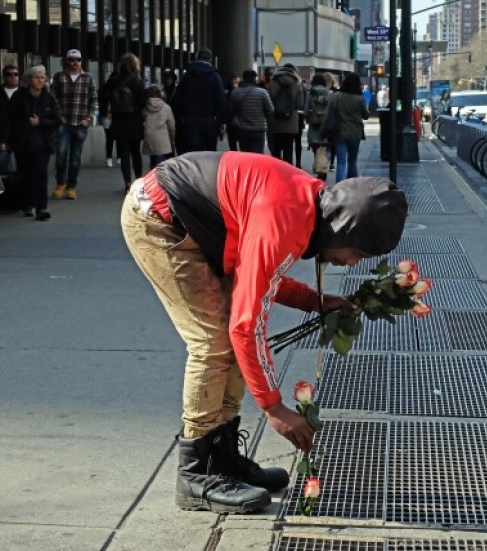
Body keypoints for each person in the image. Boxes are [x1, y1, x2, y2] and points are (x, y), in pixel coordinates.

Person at [120, 151, 408, 514]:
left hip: (200, 225)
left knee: (231, 341)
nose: (351, 264)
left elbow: (261, 276)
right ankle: (194, 473)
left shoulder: (308, 208)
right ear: (341, 227)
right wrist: (274, 409)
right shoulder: (286, 217)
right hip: (158, 218)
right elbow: (247, 323)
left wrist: (312, 301)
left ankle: (221, 458)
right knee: (213, 342)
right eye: (355, 253)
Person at [7, 65, 61, 221]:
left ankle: (41, 207)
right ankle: (27, 204)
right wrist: (6, 140)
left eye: (42, 78)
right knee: (25, 174)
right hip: (23, 142)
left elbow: (56, 121)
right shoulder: (19, 97)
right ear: (30, 79)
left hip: (43, 143)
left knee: (41, 174)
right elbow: (10, 119)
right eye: (36, 77)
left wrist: (40, 122)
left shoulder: (49, 98)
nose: (40, 80)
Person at [50, 49, 97, 200]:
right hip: (63, 123)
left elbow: (93, 99)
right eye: (71, 59)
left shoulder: (88, 78)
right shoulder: (59, 77)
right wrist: (58, 117)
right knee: (61, 155)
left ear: (81, 61)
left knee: (75, 157)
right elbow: (53, 99)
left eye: (78, 60)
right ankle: (60, 184)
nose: (75, 63)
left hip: (80, 122)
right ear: (66, 61)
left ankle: (71, 187)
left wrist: (88, 118)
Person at [99, 53, 146, 192]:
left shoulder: (114, 80)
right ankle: (138, 182)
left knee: (123, 153)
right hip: (135, 121)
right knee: (136, 152)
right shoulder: (138, 81)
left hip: (119, 121)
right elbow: (142, 102)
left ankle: (127, 183)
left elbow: (103, 95)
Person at [169, 48, 227, 153]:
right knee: (210, 152)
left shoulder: (187, 76)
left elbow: (177, 100)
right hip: (210, 120)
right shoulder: (215, 76)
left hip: (190, 121)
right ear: (210, 59)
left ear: (197, 58)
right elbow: (221, 100)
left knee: (193, 152)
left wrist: (181, 117)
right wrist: (223, 120)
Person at [326, 73, 369, 183]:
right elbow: (366, 115)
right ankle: (352, 186)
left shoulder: (337, 96)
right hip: (355, 133)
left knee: (341, 161)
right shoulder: (360, 99)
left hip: (339, 132)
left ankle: (339, 186)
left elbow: (329, 113)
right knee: (352, 161)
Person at [227, 69, 273, 154]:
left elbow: (230, 112)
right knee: (258, 156)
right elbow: (270, 111)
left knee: (246, 156)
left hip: (242, 130)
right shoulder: (263, 93)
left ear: (243, 78)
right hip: (259, 130)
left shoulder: (235, 93)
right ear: (255, 79)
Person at [267, 63, 304, 165]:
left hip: (275, 122)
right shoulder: (297, 84)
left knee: (276, 151)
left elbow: (267, 103)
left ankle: (276, 176)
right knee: (288, 152)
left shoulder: (272, 84)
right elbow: (300, 104)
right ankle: (287, 176)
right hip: (290, 123)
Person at [304, 73, 332, 180]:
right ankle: (323, 169)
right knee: (325, 148)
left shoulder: (310, 94)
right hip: (326, 126)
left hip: (314, 125)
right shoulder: (330, 93)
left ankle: (320, 169)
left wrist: (309, 120)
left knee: (316, 149)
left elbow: (306, 111)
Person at [142, 84, 176, 168]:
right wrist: (172, 138)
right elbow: (172, 126)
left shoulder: (145, 108)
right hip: (163, 140)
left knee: (153, 160)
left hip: (149, 139)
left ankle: (153, 176)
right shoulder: (166, 107)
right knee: (161, 162)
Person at [224, 74, 241, 151]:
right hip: (233, 121)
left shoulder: (240, 91)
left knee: (233, 142)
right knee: (233, 142)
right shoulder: (227, 92)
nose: (236, 83)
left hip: (234, 121)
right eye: (235, 81)